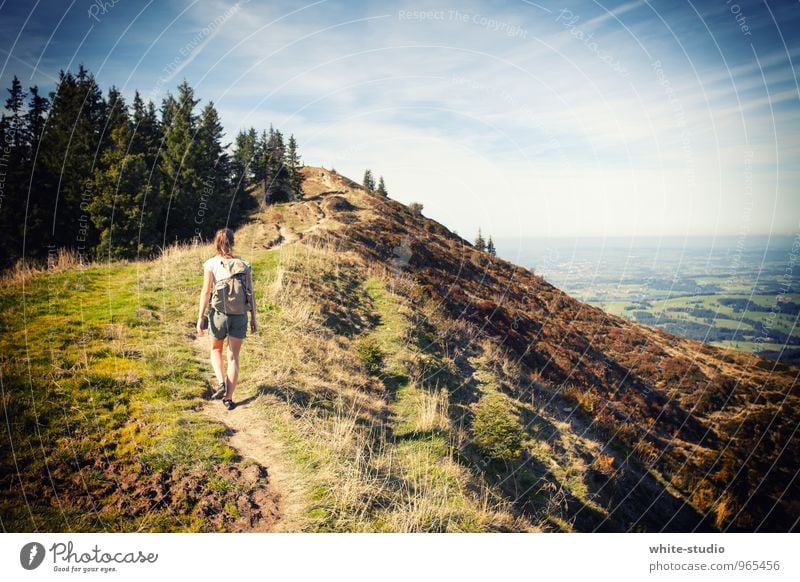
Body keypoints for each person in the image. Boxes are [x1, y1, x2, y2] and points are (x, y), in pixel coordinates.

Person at [197, 228, 257, 410]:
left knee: (216, 349)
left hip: (219, 314)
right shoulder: (244, 264)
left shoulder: (211, 264)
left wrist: (200, 317)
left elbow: (206, 291)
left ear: (216, 243)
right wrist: (254, 317)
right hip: (239, 315)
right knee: (233, 357)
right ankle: (229, 399)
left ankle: (221, 382)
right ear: (233, 241)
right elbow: (250, 293)